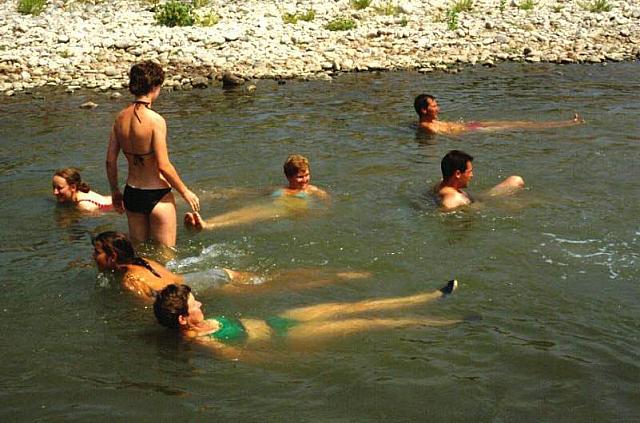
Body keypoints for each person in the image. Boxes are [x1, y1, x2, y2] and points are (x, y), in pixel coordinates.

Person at [153, 280, 461, 360]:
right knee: (369, 322)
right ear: (183, 320)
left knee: (354, 305)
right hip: (283, 337)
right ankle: (446, 324)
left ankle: (431, 297)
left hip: (276, 320)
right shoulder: (202, 342)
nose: (201, 302)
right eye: (195, 304)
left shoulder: (197, 325)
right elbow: (245, 357)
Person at [92, 231, 369, 301]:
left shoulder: (130, 280)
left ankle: (336, 280)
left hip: (205, 284)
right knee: (274, 277)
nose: (95, 258)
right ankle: (340, 274)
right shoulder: (146, 261)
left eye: (98, 253)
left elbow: (154, 308)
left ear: (113, 256)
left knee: (275, 287)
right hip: (214, 273)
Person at [106, 61, 199, 248]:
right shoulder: (156, 120)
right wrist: (185, 192)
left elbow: (110, 161)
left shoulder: (119, 118)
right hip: (157, 195)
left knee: (141, 253)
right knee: (166, 255)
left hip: (131, 193)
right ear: (155, 87)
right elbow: (163, 165)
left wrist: (115, 191)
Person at [184, 154, 329, 231]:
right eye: (300, 177)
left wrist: (315, 214)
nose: (305, 180)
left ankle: (208, 225)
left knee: (248, 216)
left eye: (307, 175)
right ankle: (201, 223)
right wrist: (229, 193)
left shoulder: (313, 190)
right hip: (271, 206)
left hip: (285, 210)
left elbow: (327, 204)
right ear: (289, 177)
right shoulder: (280, 189)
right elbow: (254, 193)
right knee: (243, 211)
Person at [414, 94, 584, 135]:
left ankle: (568, 123)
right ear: (424, 110)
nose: (439, 109)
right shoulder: (427, 127)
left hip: (472, 125)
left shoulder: (428, 124)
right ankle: (568, 123)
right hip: (473, 130)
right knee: (515, 126)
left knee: (518, 122)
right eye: (435, 106)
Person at [435, 150, 525, 211]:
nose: (472, 175)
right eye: (469, 172)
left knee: (515, 180)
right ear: (458, 174)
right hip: (482, 203)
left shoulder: (441, 185)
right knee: (517, 181)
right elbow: (448, 209)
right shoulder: (454, 199)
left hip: (476, 199)